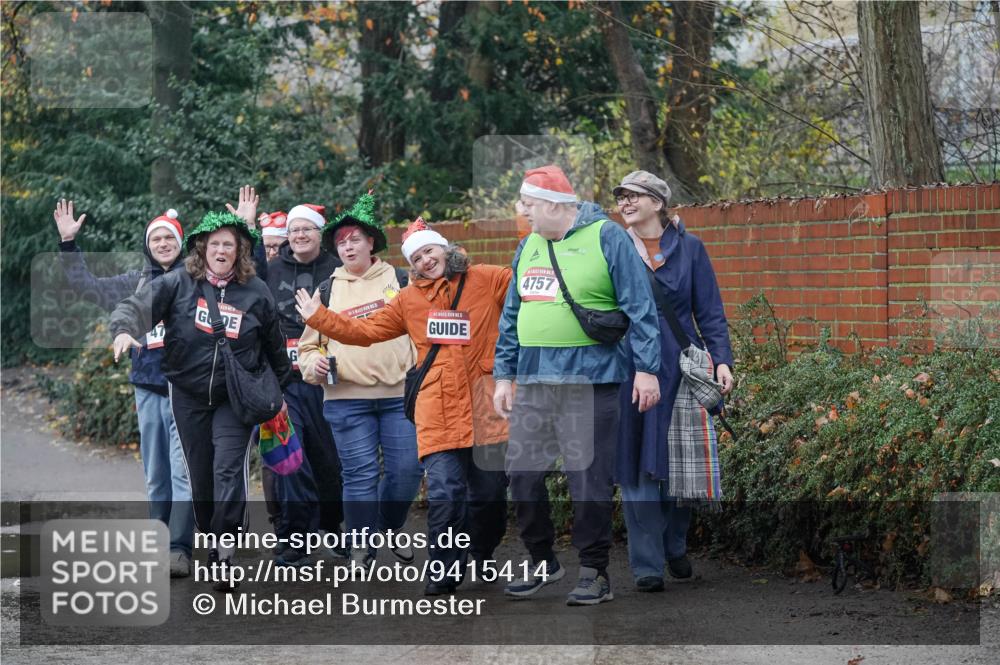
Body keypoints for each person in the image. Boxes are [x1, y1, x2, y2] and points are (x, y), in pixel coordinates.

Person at [296, 218, 511, 596]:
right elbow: (365, 331)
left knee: (489, 492)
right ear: (412, 264)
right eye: (418, 257)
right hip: (437, 407)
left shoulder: (488, 278)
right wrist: (319, 318)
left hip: (484, 403)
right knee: (444, 490)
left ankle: (482, 553)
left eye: (430, 251)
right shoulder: (409, 300)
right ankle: (444, 570)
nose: (426, 260)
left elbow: (527, 293)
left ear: (445, 248)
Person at [493, 165, 661, 606]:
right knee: (522, 477)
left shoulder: (607, 237)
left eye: (527, 204)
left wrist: (647, 369)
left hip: (592, 381)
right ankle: (543, 560)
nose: (521, 211)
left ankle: (594, 571)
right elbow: (511, 315)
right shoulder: (527, 245)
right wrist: (504, 374)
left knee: (588, 480)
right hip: (533, 381)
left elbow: (641, 308)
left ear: (552, 204)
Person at [110, 211, 291, 592]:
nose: (222, 249)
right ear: (202, 248)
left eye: (229, 244)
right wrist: (125, 330)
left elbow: (275, 351)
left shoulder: (256, 291)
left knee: (228, 469)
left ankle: (225, 551)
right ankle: (210, 531)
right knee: (199, 475)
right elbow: (135, 307)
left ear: (239, 250)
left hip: (234, 399)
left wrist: (279, 395)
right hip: (188, 395)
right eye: (215, 244)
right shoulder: (179, 283)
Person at [53, 200, 195, 578]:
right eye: (156, 238)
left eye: (169, 237)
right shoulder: (134, 281)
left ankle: (180, 549)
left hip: (187, 392)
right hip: (147, 387)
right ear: (148, 245)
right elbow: (87, 287)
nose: (163, 243)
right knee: (156, 473)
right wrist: (69, 245)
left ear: (180, 242)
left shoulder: (197, 281)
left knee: (184, 473)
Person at [612, 170, 734, 592]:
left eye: (634, 196)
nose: (625, 203)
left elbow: (711, 312)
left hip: (682, 367)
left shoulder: (690, 248)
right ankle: (647, 564)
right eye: (621, 197)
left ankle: (674, 545)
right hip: (630, 370)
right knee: (637, 467)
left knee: (682, 464)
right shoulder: (611, 248)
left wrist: (722, 362)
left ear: (658, 203)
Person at [297, 191, 420, 569]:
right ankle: (361, 548)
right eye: (341, 241)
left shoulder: (402, 281)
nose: (347, 246)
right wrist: (313, 365)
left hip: (400, 395)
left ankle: (387, 527)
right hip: (345, 399)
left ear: (371, 243)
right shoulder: (327, 290)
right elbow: (308, 348)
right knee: (359, 475)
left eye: (354, 239)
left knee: (408, 471)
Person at [257, 199, 346, 565]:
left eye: (306, 229)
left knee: (329, 459)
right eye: (293, 231)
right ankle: (296, 537)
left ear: (319, 233)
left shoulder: (338, 269)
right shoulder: (271, 270)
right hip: (283, 379)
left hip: (331, 379)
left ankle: (331, 526)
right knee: (291, 458)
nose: (300, 235)